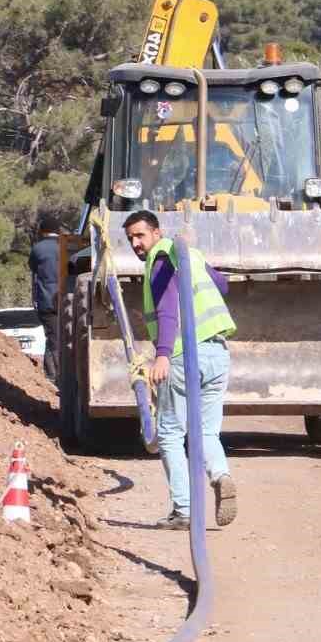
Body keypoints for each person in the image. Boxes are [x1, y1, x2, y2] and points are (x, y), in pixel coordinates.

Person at [124, 210, 239, 530]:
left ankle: (184, 510)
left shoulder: (161, 259)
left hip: (184, 355)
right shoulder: (188, 254)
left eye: (140, 236)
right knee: (206, 431)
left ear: (157, 233)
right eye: (130, 238)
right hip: (217, 353)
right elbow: (223, 285)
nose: (135, 244)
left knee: (170, 433)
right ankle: (220, 474)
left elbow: (167, 308)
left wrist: (161, 355)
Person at [27, 218, 60, 380]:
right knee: (57, 338)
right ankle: (53, 374)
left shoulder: (37, 249)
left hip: (46, 300)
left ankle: (53, 375)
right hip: (67, 301)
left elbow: (33, 270)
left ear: (42, 231)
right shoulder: (66, 247)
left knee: (52, 337)